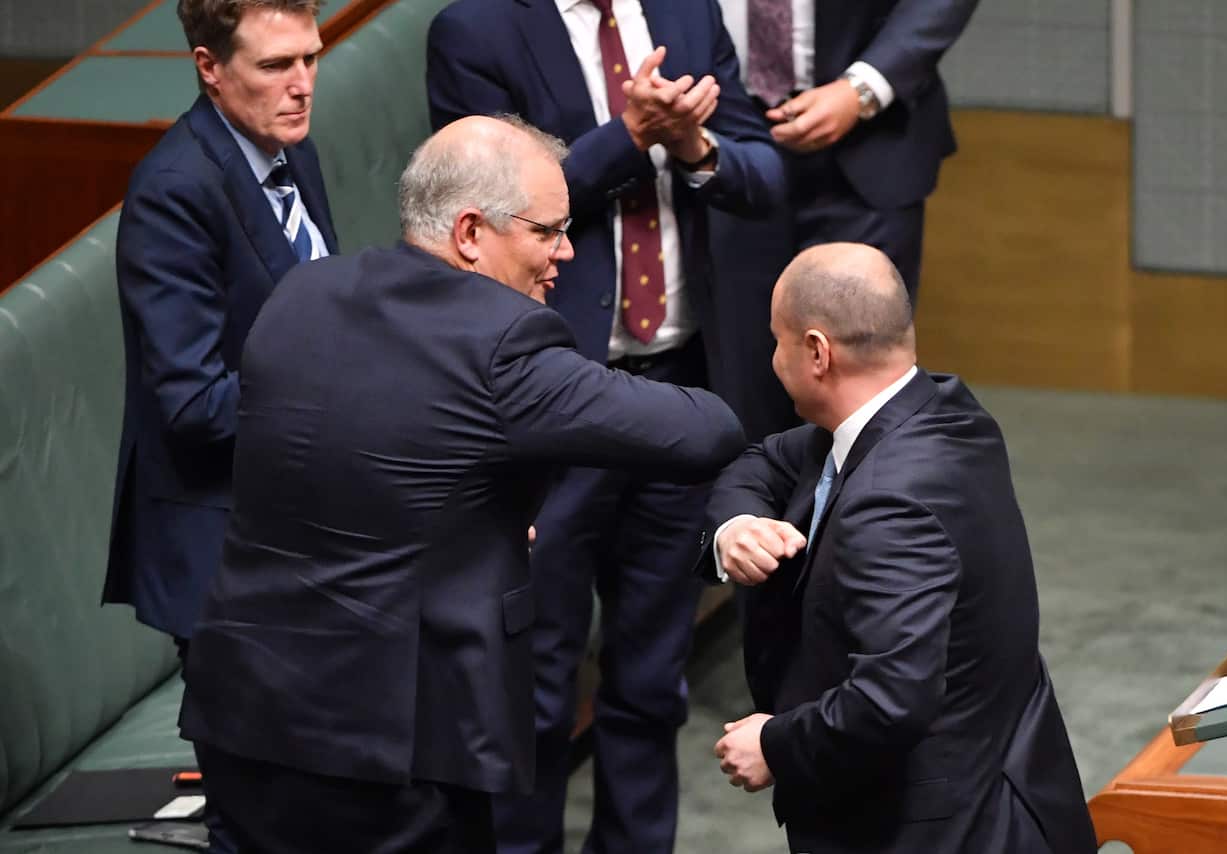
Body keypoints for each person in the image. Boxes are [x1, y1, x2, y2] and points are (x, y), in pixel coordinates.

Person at [177, 114, 747, 854]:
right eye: (548, 231)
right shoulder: (504, 344)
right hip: (390, 748)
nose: (566, 252)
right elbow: (704, 429)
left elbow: (363, 463)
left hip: (242, 711)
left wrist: (483, 508)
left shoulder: (301, 293)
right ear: (471, 233)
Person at [426, 3, 788, 851]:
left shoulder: (685, 11)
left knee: (650, 681)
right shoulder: (476, 31)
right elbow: (476, 214)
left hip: (675, 395)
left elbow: (766, 176)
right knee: (535, 683)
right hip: (544, 402)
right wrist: (629, 134)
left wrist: (696, 148)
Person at [705, 243, 1097, 853]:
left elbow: (892, 698)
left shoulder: (890, 505)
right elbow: (761, 463)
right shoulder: (944, 412)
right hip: (997, 778)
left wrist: (775, 744)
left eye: (776, 341)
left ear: (816, 351)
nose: (771, 358)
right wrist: (737, 526)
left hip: (937, 828)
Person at [101, 1, 336, 850]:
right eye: (276, 66)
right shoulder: (174, 189)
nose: (302, 83)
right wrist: (351, 395)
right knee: (260, 825)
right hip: (227, 570)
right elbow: (194, 404)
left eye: (310, 57)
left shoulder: (288, 151)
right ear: (208, 66)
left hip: (302, 547)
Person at [712, 0, 979, 306]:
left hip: (868, 148)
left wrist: (862, 90)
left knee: (858, 339)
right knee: (731, 340)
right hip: (720, 141)